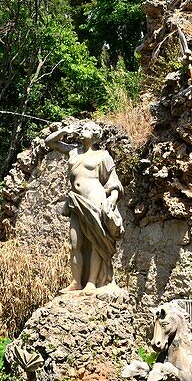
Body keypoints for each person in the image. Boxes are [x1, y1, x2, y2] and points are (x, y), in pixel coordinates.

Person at [45, 121, 124, 291]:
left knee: (96, 241)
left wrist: (112, 198)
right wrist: (64, 130)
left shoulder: (103, 155)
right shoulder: (73, 151)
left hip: (95, 200)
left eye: (87, 128)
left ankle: (91, 282)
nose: (82, 131)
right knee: (74, 243)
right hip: (75, 201)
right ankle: (76, 282)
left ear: (95, 135)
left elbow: (113, 181)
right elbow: (49, 142)